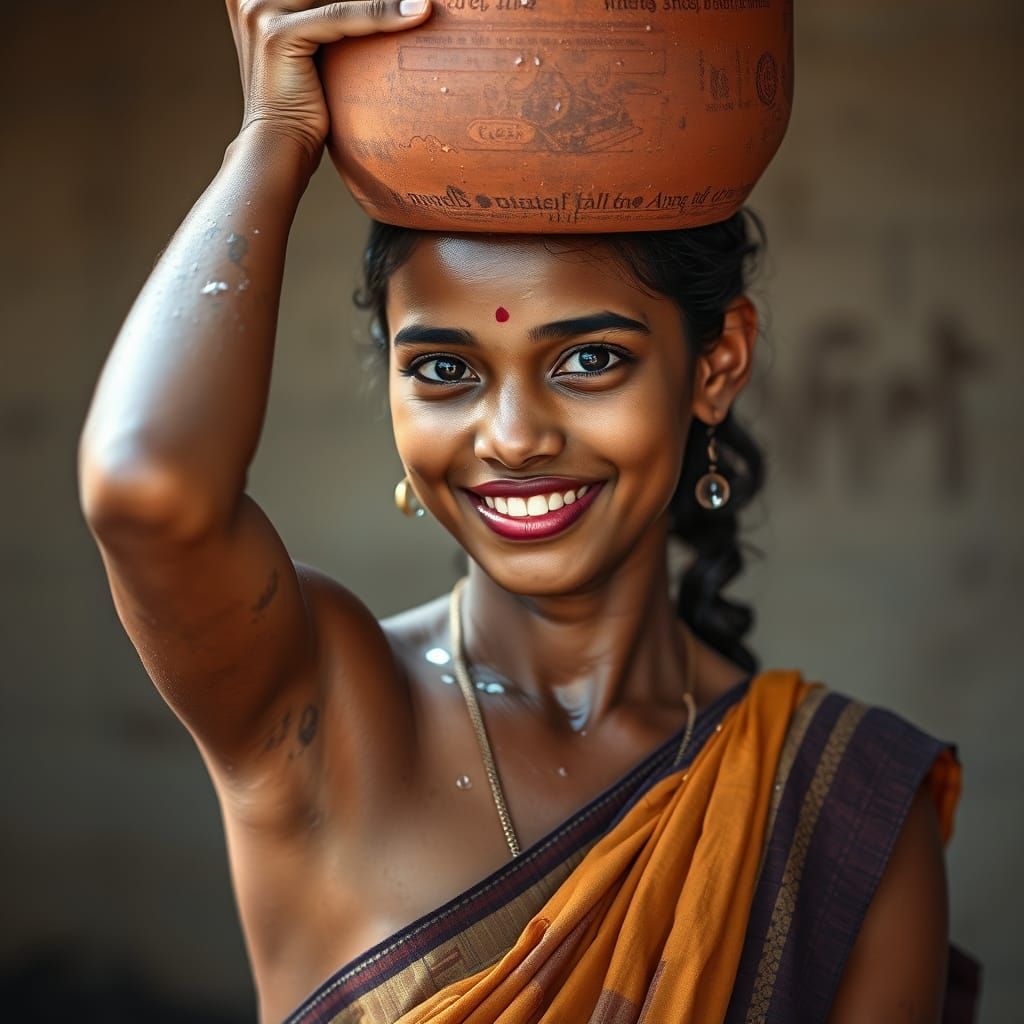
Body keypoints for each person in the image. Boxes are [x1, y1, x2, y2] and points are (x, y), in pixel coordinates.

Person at [77, 2, 976, 1022]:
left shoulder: (833, 812)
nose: (510, 435)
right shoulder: (327, 711)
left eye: (588, 359)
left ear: (716, 363)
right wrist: (271, 141)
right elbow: (143, 491)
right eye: (446, 369)